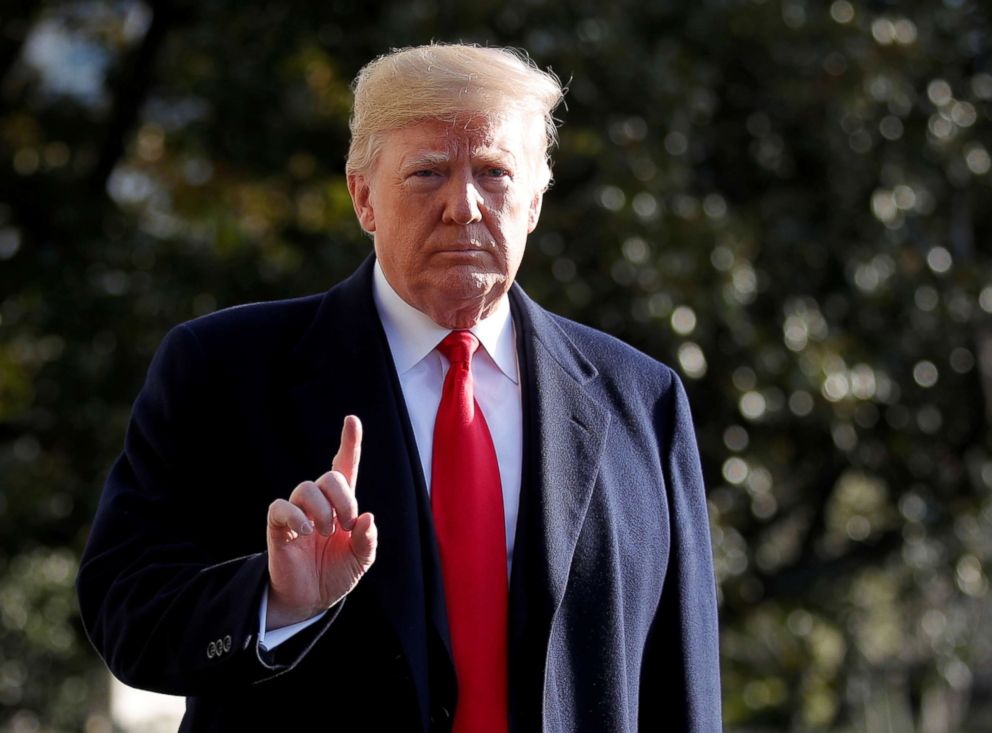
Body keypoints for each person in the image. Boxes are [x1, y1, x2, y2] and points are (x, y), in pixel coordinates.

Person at [77, 43, 721, 732]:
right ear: (363, 197)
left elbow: (682, 689)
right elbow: (126, 610)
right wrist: (276, 600)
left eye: (496, 173)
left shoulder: (641, 400)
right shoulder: (222, 370)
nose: (463, 205)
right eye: (428, 172)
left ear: (534, 199)